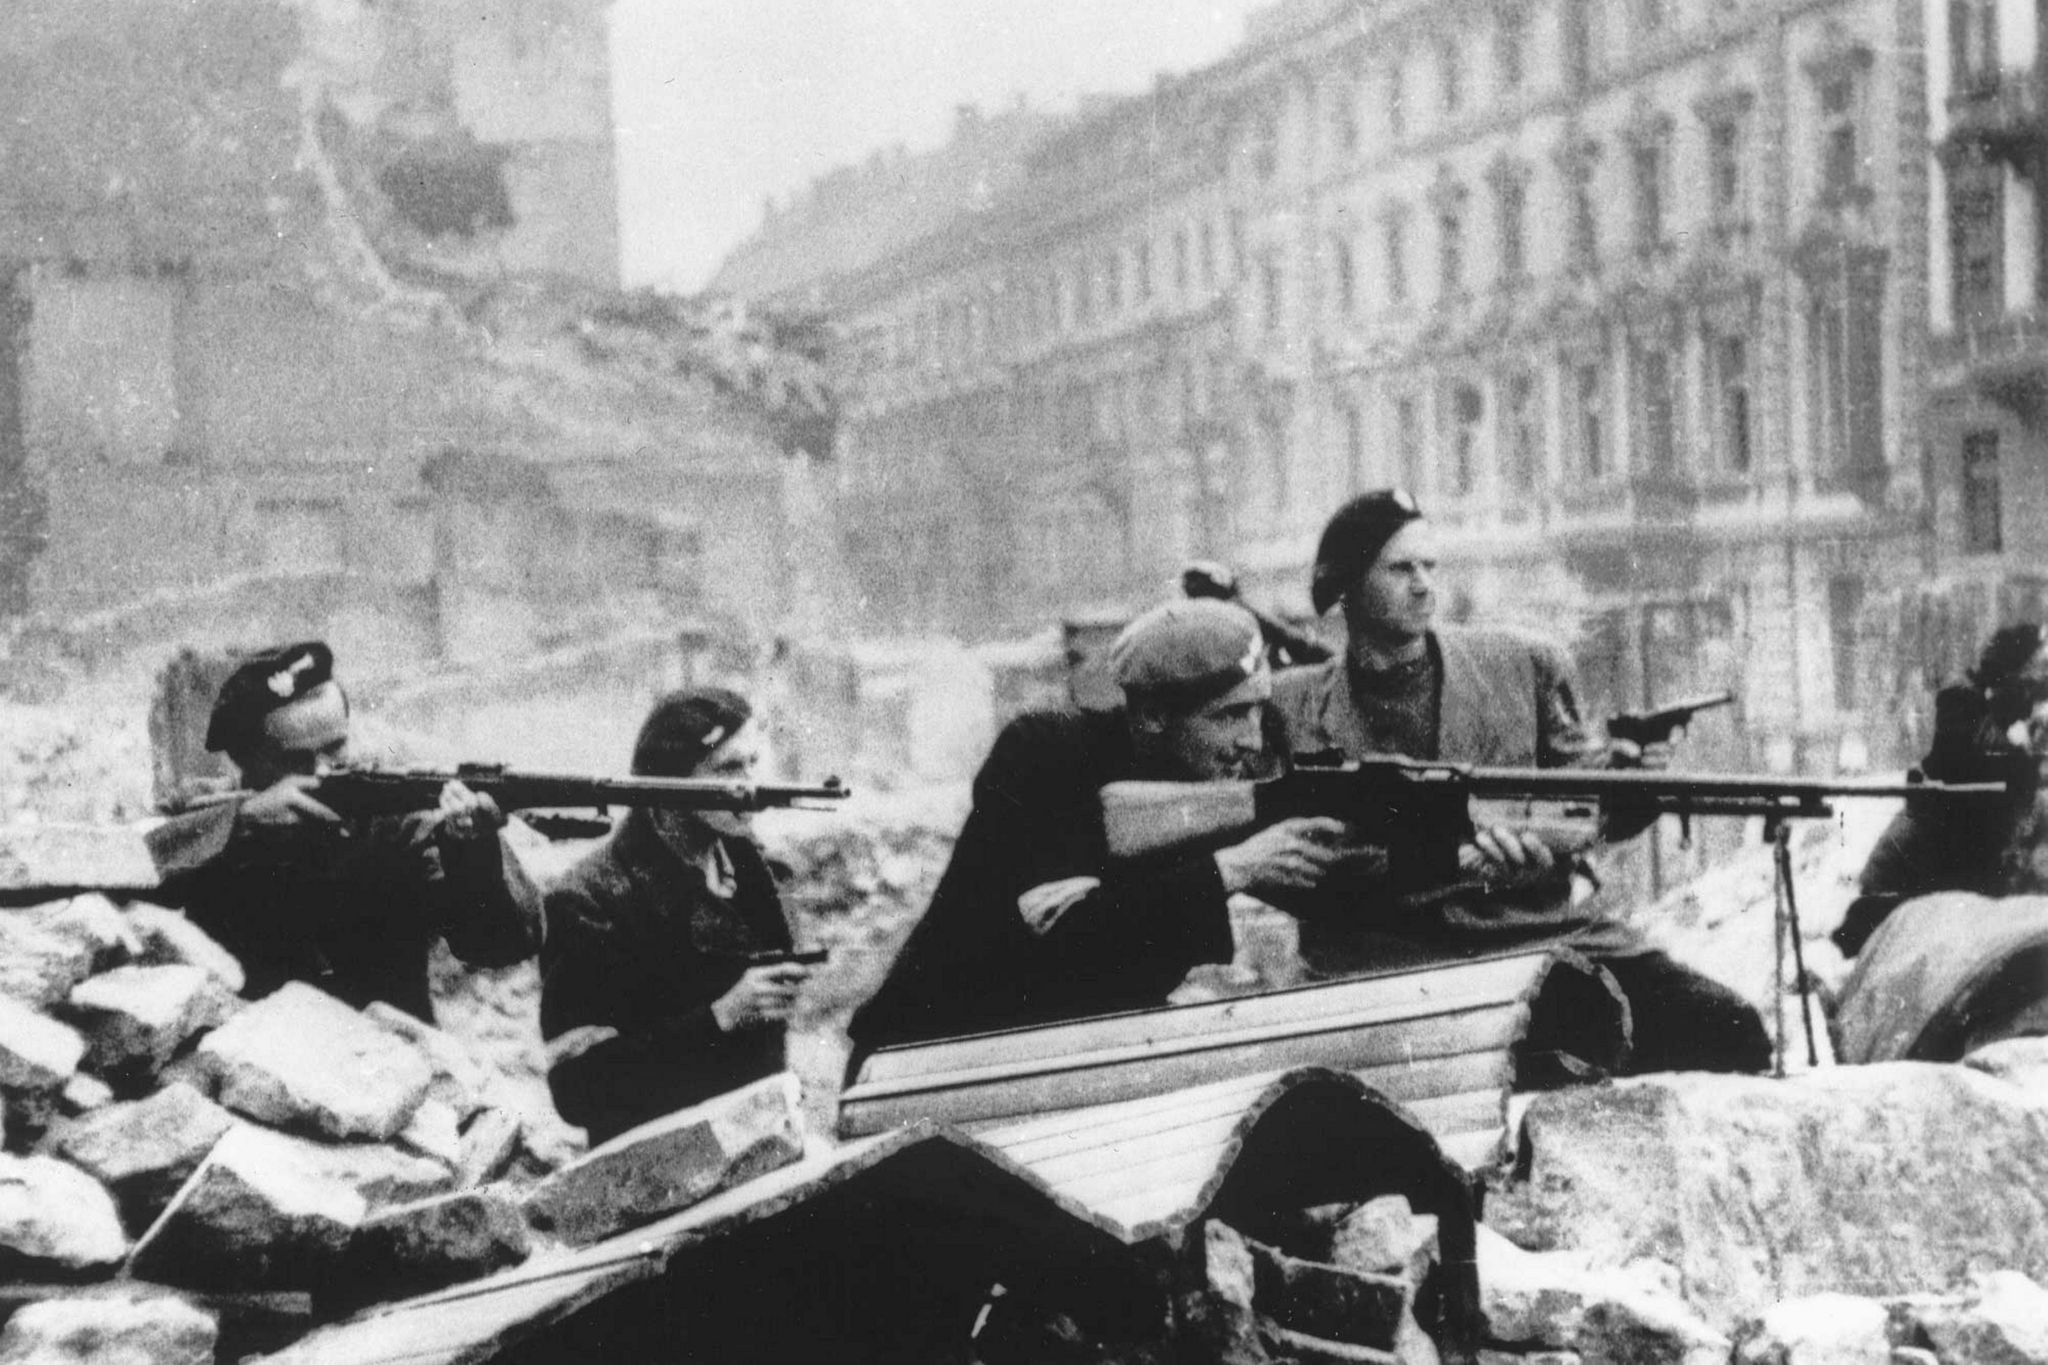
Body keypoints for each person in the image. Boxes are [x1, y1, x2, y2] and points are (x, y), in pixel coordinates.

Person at [1269, 490, 1770, 1077]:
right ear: (1349, 586)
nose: (1425, 584)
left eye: (1430, 566)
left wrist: (1634, 784)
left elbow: (1585, 805)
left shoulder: (1519, 666)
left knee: (1727, 1027)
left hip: (1535, 934)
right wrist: (1449, 861)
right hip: (1379, 960)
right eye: (1401, 569)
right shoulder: (1293, 708)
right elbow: (1289, 865)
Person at [851, 598, 1351, 1048]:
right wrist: (1230, 871)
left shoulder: (1199, 779)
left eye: (1259, 712)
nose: (1253, 741)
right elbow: (1065, 940)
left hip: (1065, 1049)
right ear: (1153, 716)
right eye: (1230, 716)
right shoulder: (1044, 756)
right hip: (931, 1054)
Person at [146, 641, 540, 1020]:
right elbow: (132, 858)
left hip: (389, 1061)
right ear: (243, 762)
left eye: (335, 748)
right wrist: (240, 825)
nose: (322, 770)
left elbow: (501, 944)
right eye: (294, 759)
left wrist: (472, 852)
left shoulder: (394, 818)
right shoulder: (210, 814)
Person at [541, 688, 810, 1143]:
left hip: (762, 1144)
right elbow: (579, 1090)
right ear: (667, 784)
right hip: (654, 1172)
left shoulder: (757, 878)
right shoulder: (590, 901)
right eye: (728, 768)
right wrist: (720, 1017)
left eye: (751, 764)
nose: (750, 786)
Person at [1835, 623, 2047, 957]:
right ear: (2007, 676)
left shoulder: (1999, 708)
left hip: (1958, 864)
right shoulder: (1960, 699)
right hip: (1915, 873)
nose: (2032, 693)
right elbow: (1975, 758)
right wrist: (2021, 744)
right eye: (2027, 682)